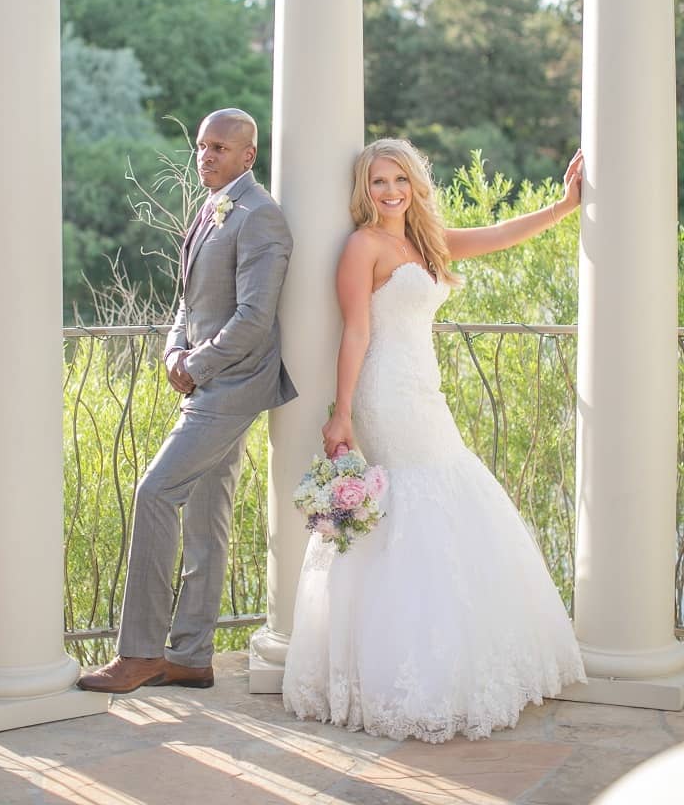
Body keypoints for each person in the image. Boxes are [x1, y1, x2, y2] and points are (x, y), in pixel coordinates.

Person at [283, 138, 586, 742]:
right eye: (378, 183)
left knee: (443, 499)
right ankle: (402, 671)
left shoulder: (424, 242)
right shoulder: (362, 246)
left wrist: (562, 208)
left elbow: (499, 234)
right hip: (386, 395)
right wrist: (341, 414)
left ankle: (451, 655)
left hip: (425, 388)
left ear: (414, 184)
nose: (391, 192)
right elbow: (355, 334)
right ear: (363, 192)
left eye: (399, 180)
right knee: (417, 499)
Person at [79, 108, 296, 694]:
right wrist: (174, 349)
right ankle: (192, 655)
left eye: (220, 148)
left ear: (248, 156)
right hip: (205, 376)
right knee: (206, 516)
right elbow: (188, 302)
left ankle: (141, 653)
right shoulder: (211, 207)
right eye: (202, 146)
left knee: (155, 492)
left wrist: (195, 366)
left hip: (233, 382)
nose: (206, 155)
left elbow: (254, 318)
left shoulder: (261, 217)